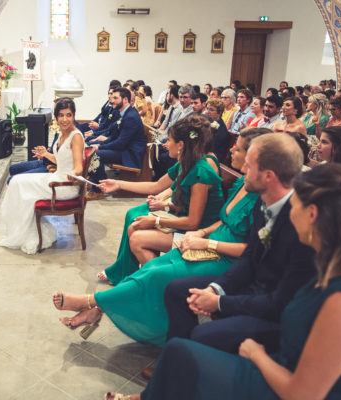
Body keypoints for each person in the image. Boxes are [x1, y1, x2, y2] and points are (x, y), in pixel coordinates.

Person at [107, 163, 341, 400]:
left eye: (296, 205)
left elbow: (303, 393)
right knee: (180, 352)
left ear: (313, 214)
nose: (290, 214)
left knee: (181, 353)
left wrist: (256, 354)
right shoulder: (334, 264)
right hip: (284, 361)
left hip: (291, 382)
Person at [53, 128, 264, 345]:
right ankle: (102, 306)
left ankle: (91, 303)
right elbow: (220, 217)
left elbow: (248, 248)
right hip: (203, 240)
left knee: (153, 272)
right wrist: (197, 232)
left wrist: (197, 235)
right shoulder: (243, 183)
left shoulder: (235, 184)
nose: (231, 150)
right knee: (151, 267)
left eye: (237, 149)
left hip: (222, 257)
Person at [162, 133, 316, 354]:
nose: (242, 171)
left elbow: (282, 300)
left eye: (249, 166)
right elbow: (250, 257)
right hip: (254, 289)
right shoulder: (264, 204)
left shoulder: (300, 223)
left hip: (280, 314)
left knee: (202, 335)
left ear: (269, 176)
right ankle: (176, 361)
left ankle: (189, 359)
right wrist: (215, 289)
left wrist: (220, 303)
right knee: (176, 290)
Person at [97, 116, 224, 284]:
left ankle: (161, 283)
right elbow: (155, 186)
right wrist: (118, 184)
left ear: (181, 145)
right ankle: (148, 281)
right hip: (187, 224)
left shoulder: (201, 171)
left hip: (199, 233)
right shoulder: (187, 163)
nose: (166, 143)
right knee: (135, 226)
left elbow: (193, 222)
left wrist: (155, 220)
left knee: (137, 238)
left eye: (169, 140)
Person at [0, 98, 85, 254]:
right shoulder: (63, 134)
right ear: (56, 117)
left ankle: (28, 233)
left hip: (64, 186)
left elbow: (78, 167)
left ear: (74, 116)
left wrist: (73, 173)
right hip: (56, 178)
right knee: (17, 181)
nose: (65, 119)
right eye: (61, 115)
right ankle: (23, 231)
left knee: (18, 185)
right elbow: (60, 160)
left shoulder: (76, 136)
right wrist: (46, 154)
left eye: (69, 115)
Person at [87, 87, 146, 198]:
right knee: (88, 147)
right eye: (112, 97)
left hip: (129, 154)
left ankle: (98, 190)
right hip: (123, 149)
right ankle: (98, 181)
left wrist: (99, 147)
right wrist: (99, 144)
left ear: (125, 100)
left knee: (96, 155)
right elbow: (114, 137)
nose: (112, 100)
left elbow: (120, 143)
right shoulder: (123, 113)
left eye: (115, 98)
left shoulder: (131, 116)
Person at [205, 98, 229, 163]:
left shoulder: (221, 128)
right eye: (207, 108)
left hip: (213, 158)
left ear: (219, 112)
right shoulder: (209, 122)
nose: (207, 112)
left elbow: (212, 146)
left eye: (211, 110)